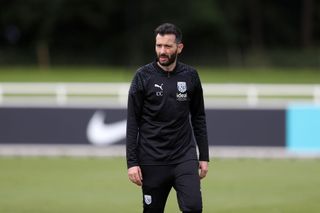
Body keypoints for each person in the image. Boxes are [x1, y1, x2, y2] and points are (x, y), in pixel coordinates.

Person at [126, 23, 209, 213]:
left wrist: (204, 156)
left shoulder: (191, 76)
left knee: (194, 207)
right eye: (158, 46)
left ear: (179, 47)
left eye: (167, 46)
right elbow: (132, 121)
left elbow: (199, 117)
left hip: (184, 157)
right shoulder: (142, 76)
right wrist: (132, 163)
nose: (162, 51)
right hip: (151, 159)